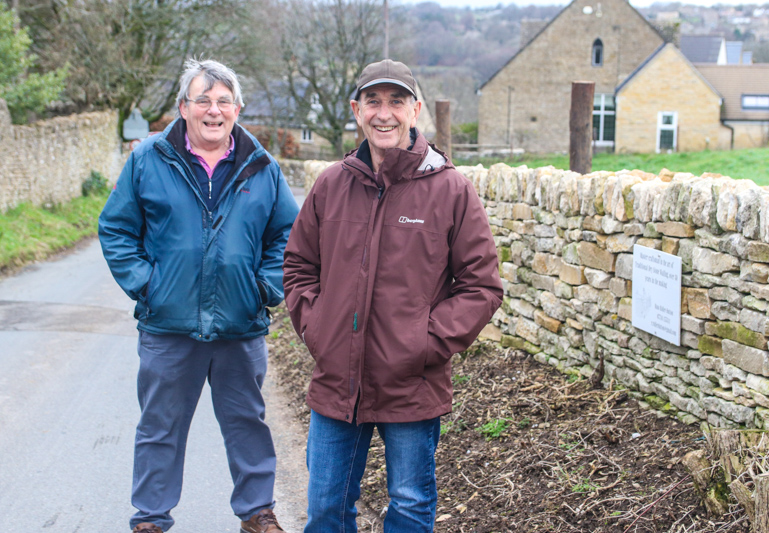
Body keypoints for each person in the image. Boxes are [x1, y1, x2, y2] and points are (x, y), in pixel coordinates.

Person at [283, 58, 503, 533]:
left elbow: (482, 286)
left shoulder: (450, 190)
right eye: (373, 102)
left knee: (408, 506)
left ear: (416, 110)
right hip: (337, 379)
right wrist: (319, 329)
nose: (385, 114)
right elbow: (299, 267)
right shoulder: (331, 186)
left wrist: (422, 344)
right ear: (356, 111)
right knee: (325, 508)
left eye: (397, 102)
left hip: (412, 383)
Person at [99, 59, 298, 533]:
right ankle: (150, 518)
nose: (214, 110)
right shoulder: (148, 158)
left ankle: (257, 513)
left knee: (247, 424)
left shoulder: (262, 166)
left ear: (238, 108)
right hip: (168, 326)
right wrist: (148, 284)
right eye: (203, 100)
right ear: (183, 107)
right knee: (160, 428)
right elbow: (116, 228)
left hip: (239, 324)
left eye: (223, 101)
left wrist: (263, 289)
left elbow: (288, 235)